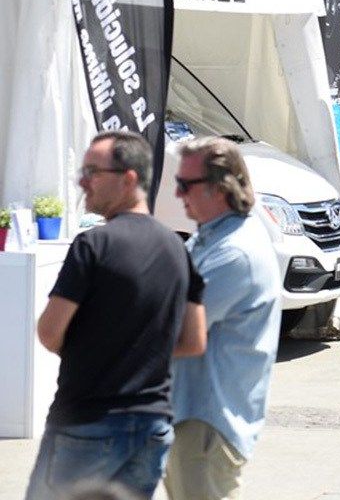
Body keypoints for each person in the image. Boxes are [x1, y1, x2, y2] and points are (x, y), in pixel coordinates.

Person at [27, 131, 207, 500]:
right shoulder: (178, 248)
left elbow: (48, 332)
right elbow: (193, 341)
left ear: (128, 179)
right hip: (152, 427)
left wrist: (99, 351)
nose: (81, 181)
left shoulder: (93, 244)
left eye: (93, 172)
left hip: (87, 423)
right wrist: (138, 351)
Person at [165, 137, 280, 500]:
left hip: (205, 424)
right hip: (193, 418)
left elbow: (172, 330)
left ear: (220, 187)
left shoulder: (234, 254)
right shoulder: (210, 240)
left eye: (185, 185)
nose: (178, 194)